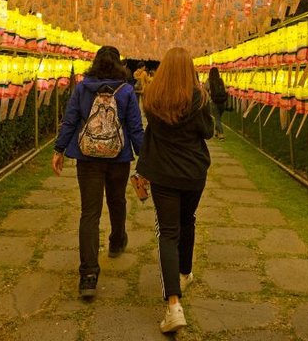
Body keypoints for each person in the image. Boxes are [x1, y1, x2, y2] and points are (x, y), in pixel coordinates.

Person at [52, 46, 144, 299]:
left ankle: (89, 275)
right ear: (119, 65)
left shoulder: (83, 88)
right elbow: (135, 127)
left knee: (89, 213)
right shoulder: (126, 90)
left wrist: (59, 149)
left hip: (88, 157)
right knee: (117, 200)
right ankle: (117, 240)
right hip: (118, 157)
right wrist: (143, 158)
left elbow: (70, 119)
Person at [135, 47, 213, 334]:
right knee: (187, 220)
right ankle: (184, 272)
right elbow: (208, 131)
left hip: (164, 173)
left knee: (168, 232)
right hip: (193, 172)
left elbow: (152, 131)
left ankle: (173, 305)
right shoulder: (199, 98)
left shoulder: (153, 98)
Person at [207, 67, 228, 140]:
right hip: (222, 102)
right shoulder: (221, 80)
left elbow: (205, 90)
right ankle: (216, 132)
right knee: (218, 118)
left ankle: (221, 134)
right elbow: (225, 90)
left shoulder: (209, 81)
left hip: (214, 102)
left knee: (217, 118)